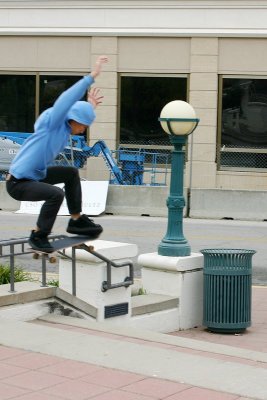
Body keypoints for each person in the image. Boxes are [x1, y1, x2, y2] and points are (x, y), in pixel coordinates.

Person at [6, 55, 108, 253]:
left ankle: (76, 220)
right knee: (56, 194)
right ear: (73, 119)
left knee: (70, 173)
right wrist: (91, 76)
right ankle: (38, 236)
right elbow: (66, 100)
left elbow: (76, 111)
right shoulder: (52, 123)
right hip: (18, 183)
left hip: (35, 175)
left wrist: (89, 106)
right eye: (84, 126)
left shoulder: (66, 128)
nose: (83, 131)